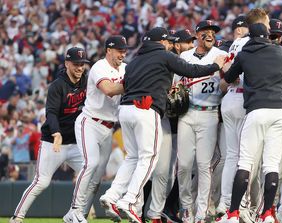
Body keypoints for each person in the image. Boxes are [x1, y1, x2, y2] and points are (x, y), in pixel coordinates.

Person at [99, 27, 226, 223]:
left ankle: (111, 195)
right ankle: (129, 201)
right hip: (146, 108)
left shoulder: (133, 62)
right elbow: (192, 71)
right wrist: (215, 66)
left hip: (125, 110)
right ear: (162, 42)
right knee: (148, 157)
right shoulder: (164, 56)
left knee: (132, 158)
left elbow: (124, 86)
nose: (169, 45)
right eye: (167, 41)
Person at [217, 22, 282, 223]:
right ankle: (268, 213)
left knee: (245, 162)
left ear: (250, 37)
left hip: (257, 110)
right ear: (268, 36)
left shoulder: (245, 54)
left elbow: (230, 77)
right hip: (280, 113)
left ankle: (233, 213)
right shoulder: (280, 51)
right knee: (271, 165)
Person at [9, 47, 89, 223]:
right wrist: (56, 133)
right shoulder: (57, 85)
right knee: (41, 182)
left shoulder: (85, 80)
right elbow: (51, 113)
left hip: (75, 143)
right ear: (67, 63)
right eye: (76, 64)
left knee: (90, 175)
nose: (79, 68)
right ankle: (16, 218)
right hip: (54, 142)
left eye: (82, 64)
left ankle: (74, 214)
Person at [64, 35, 128, 223]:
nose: (122, 54)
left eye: (124, 51)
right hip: (90, 122)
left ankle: (80, 214)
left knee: (97, 177)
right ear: (109, 50)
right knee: (90, 165)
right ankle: (74, 210)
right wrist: (132, 82)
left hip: (108, 128)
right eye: (119, 50)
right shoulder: (99, 66)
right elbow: (108, 89)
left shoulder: (125, 68)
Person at [217, 9, 270, 223]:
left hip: (229, 98)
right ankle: (242, 207)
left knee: (232, 155)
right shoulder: (253, 42)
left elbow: (227, 69)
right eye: (266, 22)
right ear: (260, 23)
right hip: (242, 99)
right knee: (246, 158)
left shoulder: (235, 42)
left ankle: (225, 202)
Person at [173, 20, 227, 223]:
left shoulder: (220, 56)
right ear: (197, 35)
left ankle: (202, 211)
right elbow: (175, 84)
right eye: (206, 31)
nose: (210, 34)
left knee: (204, 165)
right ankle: (186, 208)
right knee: (184, 165)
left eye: (213, 31)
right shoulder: (185, 56)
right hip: (186, 114)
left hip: (210, 114)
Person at [145, 28, 196, 223]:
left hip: (182, 125)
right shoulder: (168, 63)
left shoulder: (183, 62)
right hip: (165, 123)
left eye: (192, 42)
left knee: (179, 170)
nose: (190, 46)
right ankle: (145, 209)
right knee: (157, 171)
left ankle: (167, 208)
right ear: (176, 45)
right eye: (186, 42)